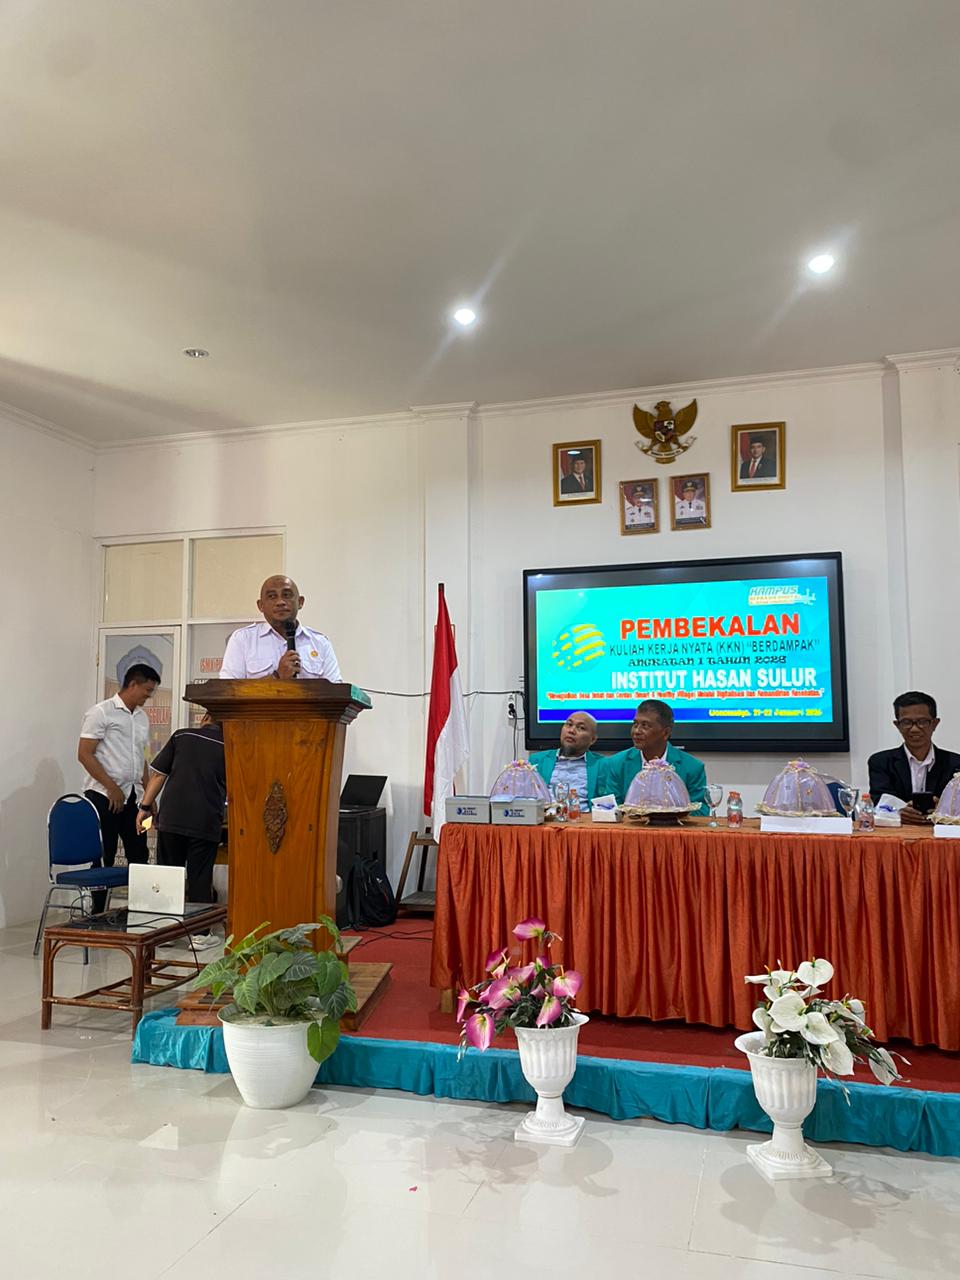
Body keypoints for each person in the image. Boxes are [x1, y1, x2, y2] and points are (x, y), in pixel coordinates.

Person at [136, 714, 226, 949]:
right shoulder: (229, 747)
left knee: (167, 874)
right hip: (205, 819)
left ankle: (164, 933)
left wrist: (145, 807)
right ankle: (200, 935)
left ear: (205, 717)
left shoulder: (181, 736)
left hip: (172, 817)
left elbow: (158, 775)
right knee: (200, 877)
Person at [77, 663, 159, 910]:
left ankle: (142, 911)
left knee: (140, 853)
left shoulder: (142, 718)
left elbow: (141, 758)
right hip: (104, 796)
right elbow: (84, 754)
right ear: (132, 684)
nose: (149, 696)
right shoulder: (100, 712)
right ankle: (98, 913)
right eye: (147, 690)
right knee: (105, 854)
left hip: (135, 798)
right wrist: (111, 788)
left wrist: (149, 795)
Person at [220, 575, 341, 680]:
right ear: (261, 605)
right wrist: (277, 676)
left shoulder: (320, 643)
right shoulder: (243, 640)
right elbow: (228, 692)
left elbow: (336, 692)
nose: (280, 602)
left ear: (300, 602)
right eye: (272, 596)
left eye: (286, 595)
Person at [599, 699, 709, 813]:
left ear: (666, 733)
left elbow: (701, 812)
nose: (636, 731)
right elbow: (612, 810)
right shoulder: (617, 763)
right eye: (635, 724)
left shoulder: (692, 767)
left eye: (645, 726)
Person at [868, 691, 960, 823]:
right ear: (897, 725)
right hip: (898, 829)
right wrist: (899, 810)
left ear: (935, 723)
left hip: (940, 829)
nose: (915, 729)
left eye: (922, 722)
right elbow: (879, 799)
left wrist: (944, 807)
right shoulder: (881, 761)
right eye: (906, 722)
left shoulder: (955, 763)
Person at [529, 712, 604, 809]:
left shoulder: (602, 765)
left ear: (592, 739)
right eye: (569, 724)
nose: (571, 731)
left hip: (583, 816)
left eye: (581, 728)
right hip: (545, 816)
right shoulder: (537, 760)